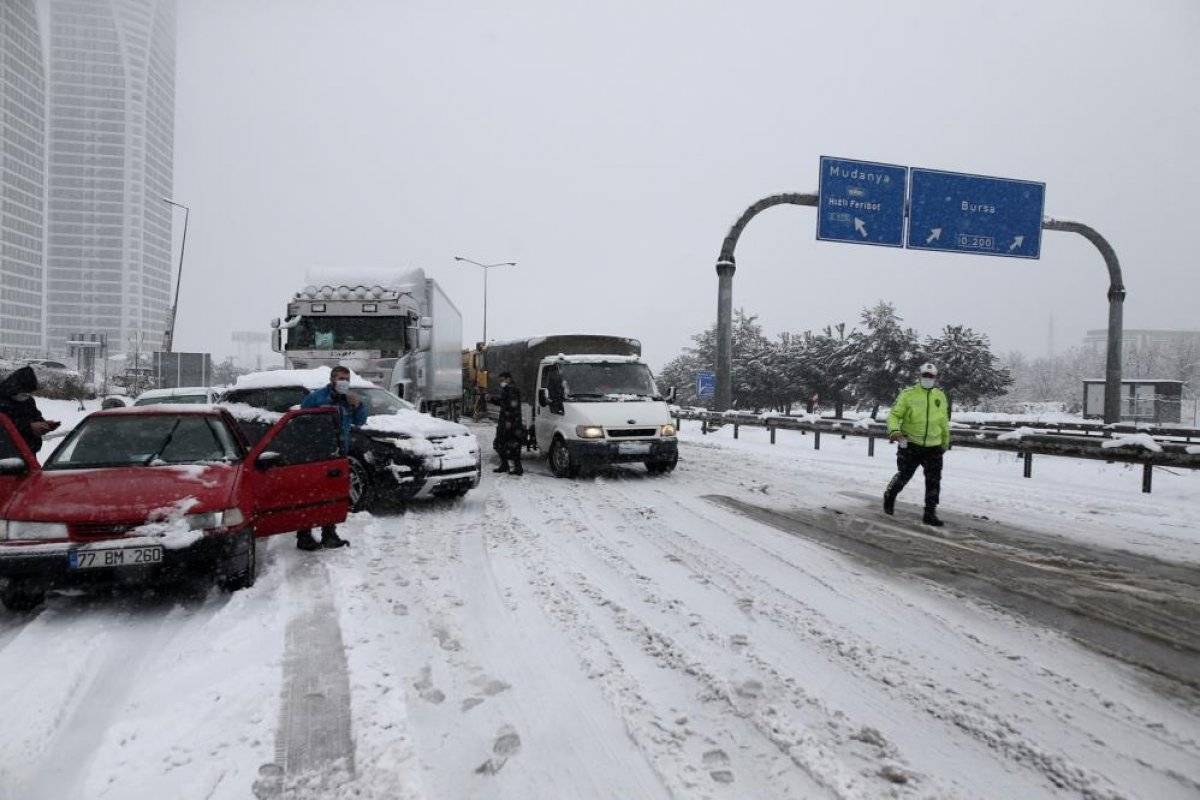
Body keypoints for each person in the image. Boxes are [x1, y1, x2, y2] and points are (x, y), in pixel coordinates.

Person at [295, 366, 367, 550]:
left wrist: (358, 405)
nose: (345, 382)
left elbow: (360, 421)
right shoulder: (317, 397)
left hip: (339, 453)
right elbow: (302, 420)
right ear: (332, 379)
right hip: (317, 454)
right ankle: (304, 536)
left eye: (347, 379)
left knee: (333, 495)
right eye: (341, 378)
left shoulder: (348, 399)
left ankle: (329, 533)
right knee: (311, 496)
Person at [883, 363, 950, 527]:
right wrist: (895, 432)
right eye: (925, 375)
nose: (928, 379)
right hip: (911, 443)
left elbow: (943, 421)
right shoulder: (908, 394)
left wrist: (945, 442)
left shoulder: (940, 396)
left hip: (934, 446)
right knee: (904, 475)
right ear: (920, 376)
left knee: (934, 481)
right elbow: (893, 416)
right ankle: (890, 495)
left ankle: (930, 513)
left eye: (931, 376)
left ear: (935, 378)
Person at [0, 366, 60, 454]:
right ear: (15, 388)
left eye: (29, 393)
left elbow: (35, 416)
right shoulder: (2, 401)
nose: (26, 396)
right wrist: (29, 427)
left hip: (28, 453)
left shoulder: (29, 401)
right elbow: (5, 426)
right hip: (8, 456)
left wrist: (44, 424)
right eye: (24, 392)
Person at [490, 371, 525, 475]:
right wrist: (492, 399)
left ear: (508, 379)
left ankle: (516, 468)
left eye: (502, 380)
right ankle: (506, 465)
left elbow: (512, 407)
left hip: (511, 423)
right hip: (506, 422)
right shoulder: (507, 389)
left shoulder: (512, 390)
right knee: (502, 444)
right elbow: (503, 402)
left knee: (509, 445)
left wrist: (509, 421)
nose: (501, 382)